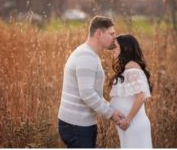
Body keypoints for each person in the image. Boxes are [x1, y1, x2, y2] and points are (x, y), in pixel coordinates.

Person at [58, 16, 126, 148]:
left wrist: (111, 109)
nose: (115, 38)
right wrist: (111, 114)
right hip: (77, 126)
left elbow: (92, 93)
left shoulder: (89, 54)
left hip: (78, 124)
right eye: (111, 34)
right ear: (99, 34)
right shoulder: (86, 56)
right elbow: (87, 94)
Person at [109, 34, 153, 148]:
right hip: (128, 125)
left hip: (133, 124)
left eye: (116, 46)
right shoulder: (128, 68)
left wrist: (127, 120)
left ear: (125, 48)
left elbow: (141, 96)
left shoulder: (132, 68)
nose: (113, 49)